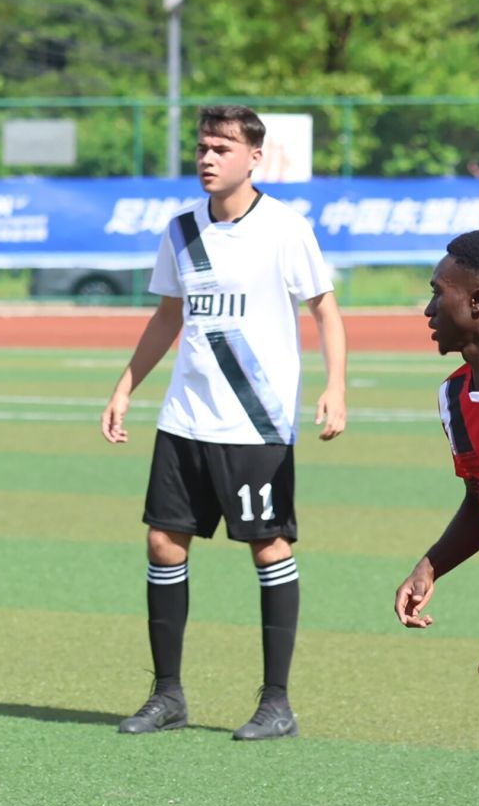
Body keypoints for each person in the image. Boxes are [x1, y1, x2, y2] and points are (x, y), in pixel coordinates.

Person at [101, 104, 348, 741]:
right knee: (163, 543)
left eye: (222, 148)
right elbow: (168, 315)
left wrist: (336, 386)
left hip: (256, 421)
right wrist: (126, 387)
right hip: (185, 417)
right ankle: (168, 695)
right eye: (203, 147)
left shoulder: (285, 228)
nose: (208, 159)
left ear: (253, 158)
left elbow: (325, 310)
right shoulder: (182, 229)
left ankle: (277, 703)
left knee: (268, 548)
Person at [392, 230, 479, 714]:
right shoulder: (453, 397)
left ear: (478, 301)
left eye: (439, 293)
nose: (428, 310)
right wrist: (432, 564)